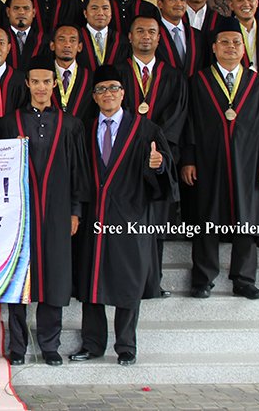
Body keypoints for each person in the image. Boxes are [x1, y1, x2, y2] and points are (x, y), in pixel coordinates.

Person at [70, 65, 176, 367]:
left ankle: (126, 346)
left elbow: (165, 175)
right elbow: (76, 173)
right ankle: (92, 344)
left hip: (131, 218)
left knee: (128, 283)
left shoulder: (146, 129)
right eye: (101, 89)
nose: (108, 94)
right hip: (93, 216)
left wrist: (158, 165)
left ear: (123, 93)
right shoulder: (83, 129)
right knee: (91, 282)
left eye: (113, 88)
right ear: (94, 96)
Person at [0, 55, 87, 367]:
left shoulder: (71, 124)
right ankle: (18, 346)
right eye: (35, 81)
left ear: (54, 84)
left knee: (55, 277)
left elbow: (77, 172)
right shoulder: (8, 124)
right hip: (19, 215)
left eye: (47, 81)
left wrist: (75, 211)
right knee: (19, 277)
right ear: (27, 84)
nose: (41, 87)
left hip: (58, 212)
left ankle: (50, 345)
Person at [181, 17, 259, 300]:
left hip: (249, 164)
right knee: (207, 218)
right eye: (224, 42)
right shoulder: (198, 82)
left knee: (247, 219)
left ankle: (244, 279)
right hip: (208, 162)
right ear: (214, 47)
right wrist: (188, 158)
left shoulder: (258, 84)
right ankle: (203, 278)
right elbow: (189, 123)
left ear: (243, 48)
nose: (231, 47)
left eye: (236, 42)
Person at [118, 13, 189, 298]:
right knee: (124, 225)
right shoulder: (117, 73)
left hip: (161, 158)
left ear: (159, 38)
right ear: (130, 37)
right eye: (140, 31)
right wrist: (132, 145)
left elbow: (177, 116)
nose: (145, 36)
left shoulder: (174, 76)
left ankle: (152, 282)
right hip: (123, 158)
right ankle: (126, 281)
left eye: (151, 32)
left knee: (155, 225)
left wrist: (156, 147)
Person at [157, 0, 207, 77]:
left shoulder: (198, 36)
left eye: (183, 0)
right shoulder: (153, 35)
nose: (179, 4)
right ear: (160, 4)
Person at [50, 24, 94, 122]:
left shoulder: (90, 78)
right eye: (62, 40)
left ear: (79, 47)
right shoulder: (44, 76)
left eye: (72, 40)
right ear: (52, 45)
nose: (67, 45)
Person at [79, 0, 129, 71]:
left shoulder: (121, 40)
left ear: (111, 13)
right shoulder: (76, 38)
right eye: (94, 8)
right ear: (85, 13)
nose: (100, 13)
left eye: (105, 8)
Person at [5, 0, 46, 71]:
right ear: (8, 12)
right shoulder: (0, 38)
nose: (21, 12)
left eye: (26, 8)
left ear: (33, 13)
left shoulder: (44, 41)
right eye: (16, 8)